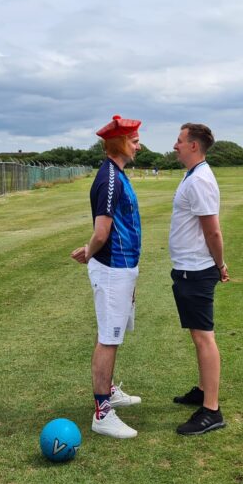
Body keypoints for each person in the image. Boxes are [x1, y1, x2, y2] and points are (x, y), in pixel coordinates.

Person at [71, 114, 144, 439]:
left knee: (113, 334)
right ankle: (102, 410)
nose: (139, 145)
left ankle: (109, 391)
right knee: (109, 337)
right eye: (134, 140)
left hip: (122, 268)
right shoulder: (110, 178)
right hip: (113, 269)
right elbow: (102, 231)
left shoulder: (117, 174)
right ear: (119, 143)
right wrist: (89, 250)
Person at [168, 123, 230, 435]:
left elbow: (213, 230)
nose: (175, 145)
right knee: (198, 335)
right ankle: (204, 392)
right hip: (187, 268)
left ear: (194, 146)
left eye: (180, 141)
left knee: (204, 336)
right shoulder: (192, 175)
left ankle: (211, 410)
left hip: (197, 269)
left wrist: (219, 264)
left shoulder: (201, 180)